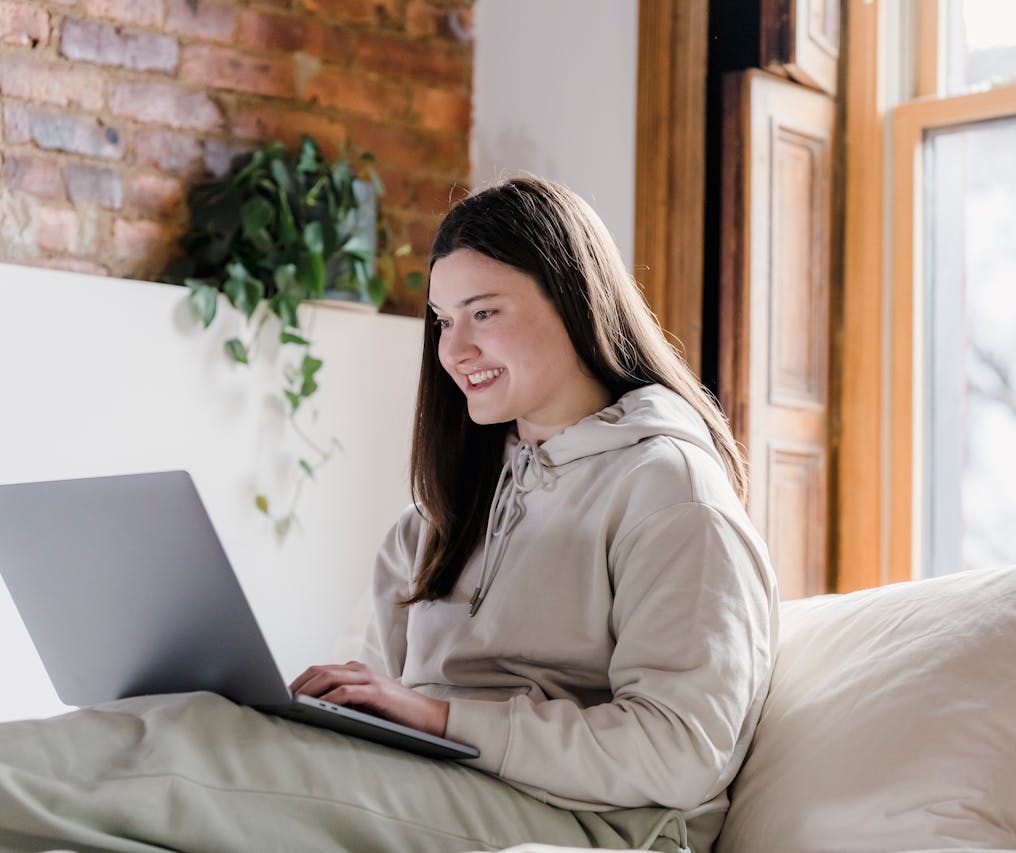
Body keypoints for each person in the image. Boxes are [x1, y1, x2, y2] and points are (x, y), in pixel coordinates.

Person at [0, 176, 778, 853]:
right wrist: (338, 710)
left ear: (575, 301)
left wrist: (441, 717)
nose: (454, 347)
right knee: (190, 720)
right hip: (444, 784)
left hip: (598, 821)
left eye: (483, 311)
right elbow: (372, 691)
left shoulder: (669, 488)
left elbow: (682, 748)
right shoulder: (439, 516)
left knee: (194, 745)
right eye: (443, 320)